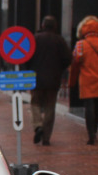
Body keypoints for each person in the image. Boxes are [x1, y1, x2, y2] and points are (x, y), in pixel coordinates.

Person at [69, 15, 98, 145]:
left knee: (88, 106)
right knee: (97, 106)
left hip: (86, 80)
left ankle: (91, 134)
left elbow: (75, 66)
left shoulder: (80, 45)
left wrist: (71, 82)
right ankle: (95, 131)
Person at [30, 16, 72, 146]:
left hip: (35, 78)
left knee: (35, 103)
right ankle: (46, 137)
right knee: (50, 107)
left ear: (42, 25)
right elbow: (68, 58)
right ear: (55, 26)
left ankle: (38, 125)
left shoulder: (35, 39)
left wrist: (28, 70)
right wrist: (59, 69)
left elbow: (27, 56)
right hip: (53, 79)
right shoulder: (59, 40)